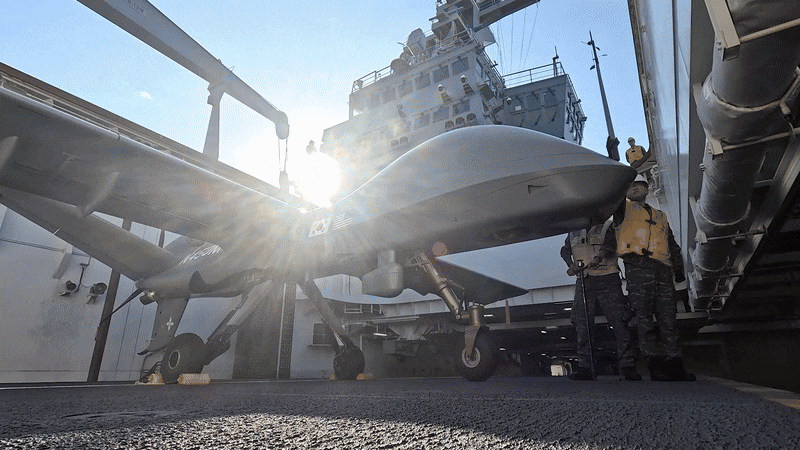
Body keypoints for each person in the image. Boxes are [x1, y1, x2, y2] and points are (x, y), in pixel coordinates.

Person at [614, 174, 695, 381]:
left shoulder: (661, 216)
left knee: (669, 319)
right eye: (630, 185)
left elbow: (671, 243)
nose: (635, 188)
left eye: (639, 185)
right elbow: (612, 195)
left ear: (647, 189)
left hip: (662, 270)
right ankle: (655, 366)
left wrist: (678, 269)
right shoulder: (622, 210)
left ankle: (675, 365)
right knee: (645, 320)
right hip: (637, 268)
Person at [561, 220, 641, 381]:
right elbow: (564, 250)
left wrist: (599, 257)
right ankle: (585, 367)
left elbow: (611, 245)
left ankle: (628, 366)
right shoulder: (574, 230)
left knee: (619, 321)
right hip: (584, 280)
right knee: (581, 323)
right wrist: (571, 264)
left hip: (607, 278)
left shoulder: (607, 226)